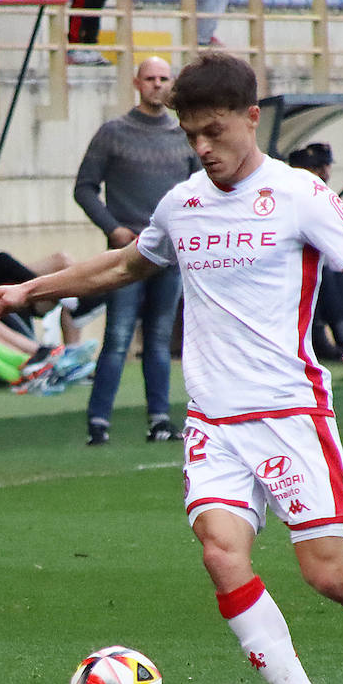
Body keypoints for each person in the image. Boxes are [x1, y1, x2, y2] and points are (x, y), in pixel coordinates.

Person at [0, 52, 343, 684]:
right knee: (220, 553)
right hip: (213, 421)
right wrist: (28, 288)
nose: (203, 147)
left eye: (214, 131)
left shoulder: (298, 194)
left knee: (330, 575)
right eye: (191, 135)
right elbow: (123, 264)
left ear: (250, 118)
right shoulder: (182, 204)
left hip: (290, 413)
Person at [73, 56, 197, 446]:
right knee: (118, 337)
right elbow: (84, 187)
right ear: (136, 83)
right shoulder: (113, 133)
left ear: (172, 84)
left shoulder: (184, 135)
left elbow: (201, 191)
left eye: (164, 78)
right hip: (127, 253)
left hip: (170, 253)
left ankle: (159, 420)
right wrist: (112, 228)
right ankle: (98, 422)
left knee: (159, 339)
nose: (157, 84)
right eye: (150, 78)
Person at [288, 142, 343, 359]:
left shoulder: (320, 194)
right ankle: (336, 338)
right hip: (294, 270)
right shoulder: (291, 193)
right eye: (316, 168)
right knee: (327, 278)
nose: (323, 172)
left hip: (322, 266)